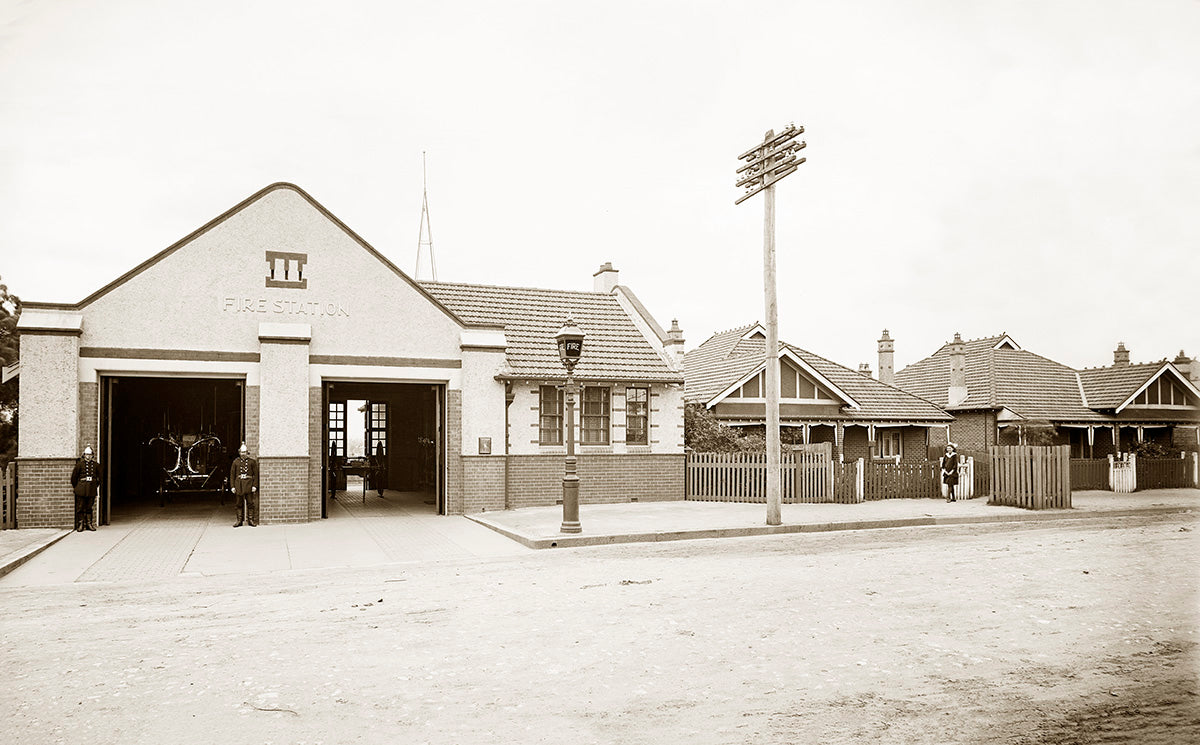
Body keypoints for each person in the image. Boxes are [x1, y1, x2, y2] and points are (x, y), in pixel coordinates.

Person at [70, 445, 102, 531]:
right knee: (80, 507)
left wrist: (94, 485)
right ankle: (81, 524)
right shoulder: (79, 465)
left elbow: (100, 478)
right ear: (84, 455)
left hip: (91, 489)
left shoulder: (96, 465)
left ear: (92, 455)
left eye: (90, 454)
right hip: (81, 489)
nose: (88, 456)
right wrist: (77, 487)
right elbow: (74, 478)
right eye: (87, 455)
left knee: (89, 507)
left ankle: (89, 524)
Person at [230, 443, 259, 527]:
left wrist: (254, 486)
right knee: (239, 503)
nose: (243, 454)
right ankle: (239, 521)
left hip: (249, 485)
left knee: (250, 503)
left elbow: (256, 475)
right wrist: (232, 486)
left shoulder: (252, 462)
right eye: (242, 452)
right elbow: (232, 475)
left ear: (247, 452)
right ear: (239, 452)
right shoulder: (235, 462)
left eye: (245, 452)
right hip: (239, 485)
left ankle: (250, 520)